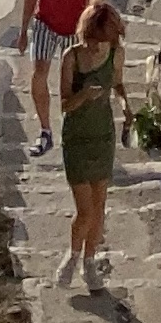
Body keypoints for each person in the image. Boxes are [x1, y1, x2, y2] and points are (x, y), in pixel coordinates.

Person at [51, 16, 123, 282]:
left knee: (100, 205)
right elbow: (64, 104)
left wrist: (125, 105)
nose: (97, 48)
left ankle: (89, 262)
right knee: (85, 210)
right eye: (93, 41)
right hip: (77, 138)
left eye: (102, 42)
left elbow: (117, 82)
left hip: (102, 135)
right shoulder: (71, 57)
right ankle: (72, 256)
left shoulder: (116, 53)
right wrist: (84, 95)